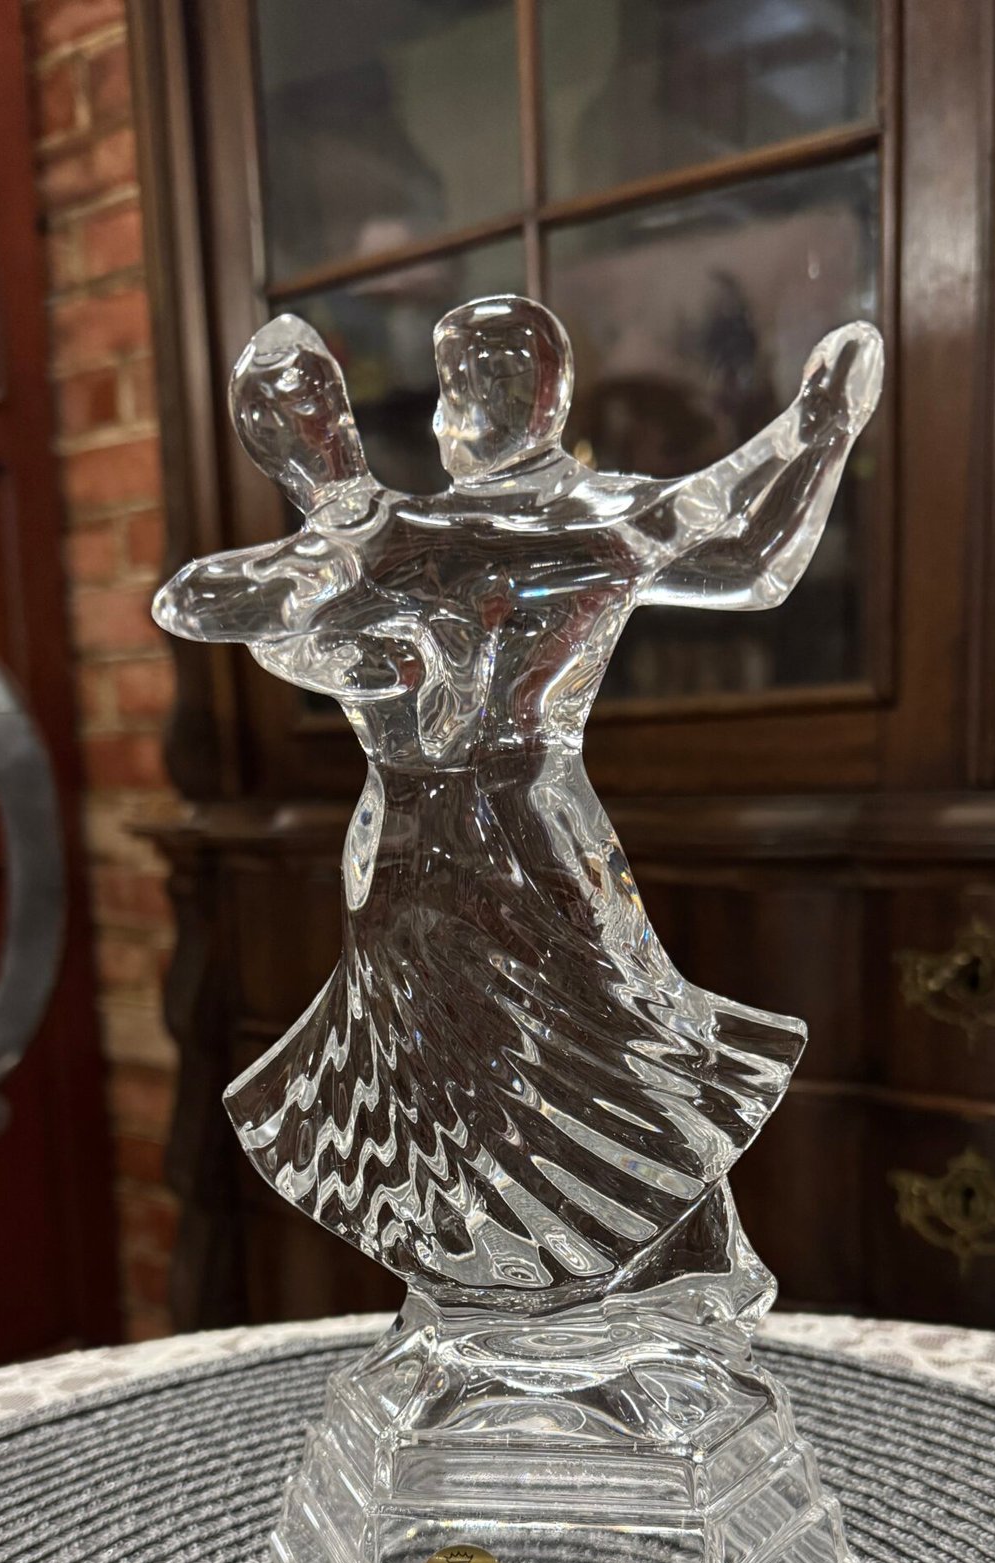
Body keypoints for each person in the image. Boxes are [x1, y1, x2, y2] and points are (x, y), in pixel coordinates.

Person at [155, 296, 881, 1311]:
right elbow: (747, 552)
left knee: (600, 1046)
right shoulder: (436, 533)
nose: (451, 414)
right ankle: (511, 1297)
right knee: (499, 1067)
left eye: (463, 387)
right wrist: (814, 433)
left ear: (508, 401)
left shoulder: (462, 531)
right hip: (451, 846)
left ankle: (651, 1284)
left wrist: (812, 431)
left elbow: (744, 559)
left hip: (491, 838)